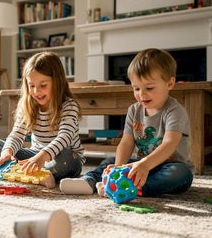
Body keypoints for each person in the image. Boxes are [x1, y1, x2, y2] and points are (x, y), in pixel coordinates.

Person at [60, 48, 194, 197]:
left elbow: (169, 144)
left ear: (170, 83)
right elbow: (126, 143)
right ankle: (89, 181)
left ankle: (131, 187)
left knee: (179, 174)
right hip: (140, 165)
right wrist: (118, 168)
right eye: (136, 88)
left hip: (170, 166)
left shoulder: (175, 111)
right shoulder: (134, 110)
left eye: (149, 88)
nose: (142, 94)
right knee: (110, 161)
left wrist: (145, 165)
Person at [0, 51, 85, 188]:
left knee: (68, 159)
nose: (36, 92)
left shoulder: (69, 106)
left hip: (62, 157)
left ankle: (24, 172)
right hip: (35, 155)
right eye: (32, 85)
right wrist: (7, 153)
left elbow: (64, 137)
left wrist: (43, 156)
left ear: (57, 82)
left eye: (43, 85)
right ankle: (34, 173)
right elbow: (17, 134)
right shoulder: (27, 105)